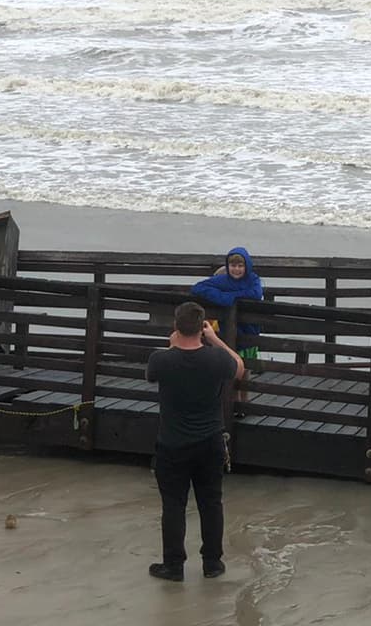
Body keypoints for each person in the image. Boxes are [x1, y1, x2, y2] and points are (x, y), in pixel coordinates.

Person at [146, 301, 245, 582]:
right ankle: (212, 563)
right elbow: (239, 367)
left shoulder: (161, 359)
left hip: (172, 443)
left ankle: (173, 565)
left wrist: (171, 346)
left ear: (176, 326)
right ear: (201, 328)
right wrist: (215, 340)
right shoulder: (216, 359)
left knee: (174, 504)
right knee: (211, 502)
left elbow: (154, 374)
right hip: (210, 441)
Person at [191, 247, 263, 414]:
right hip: (228, 332)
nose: (236, 269)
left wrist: (231, 296)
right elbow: (198, 288)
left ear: (247, 266)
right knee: (231, 368)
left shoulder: (253, 279)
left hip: (250, 332)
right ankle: (233, 403)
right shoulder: (223, 280)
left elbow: (255, 293)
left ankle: (244, 404)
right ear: (228, 266)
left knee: (245, 369)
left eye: (240, 265)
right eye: (233, 265)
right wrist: (224, 297)